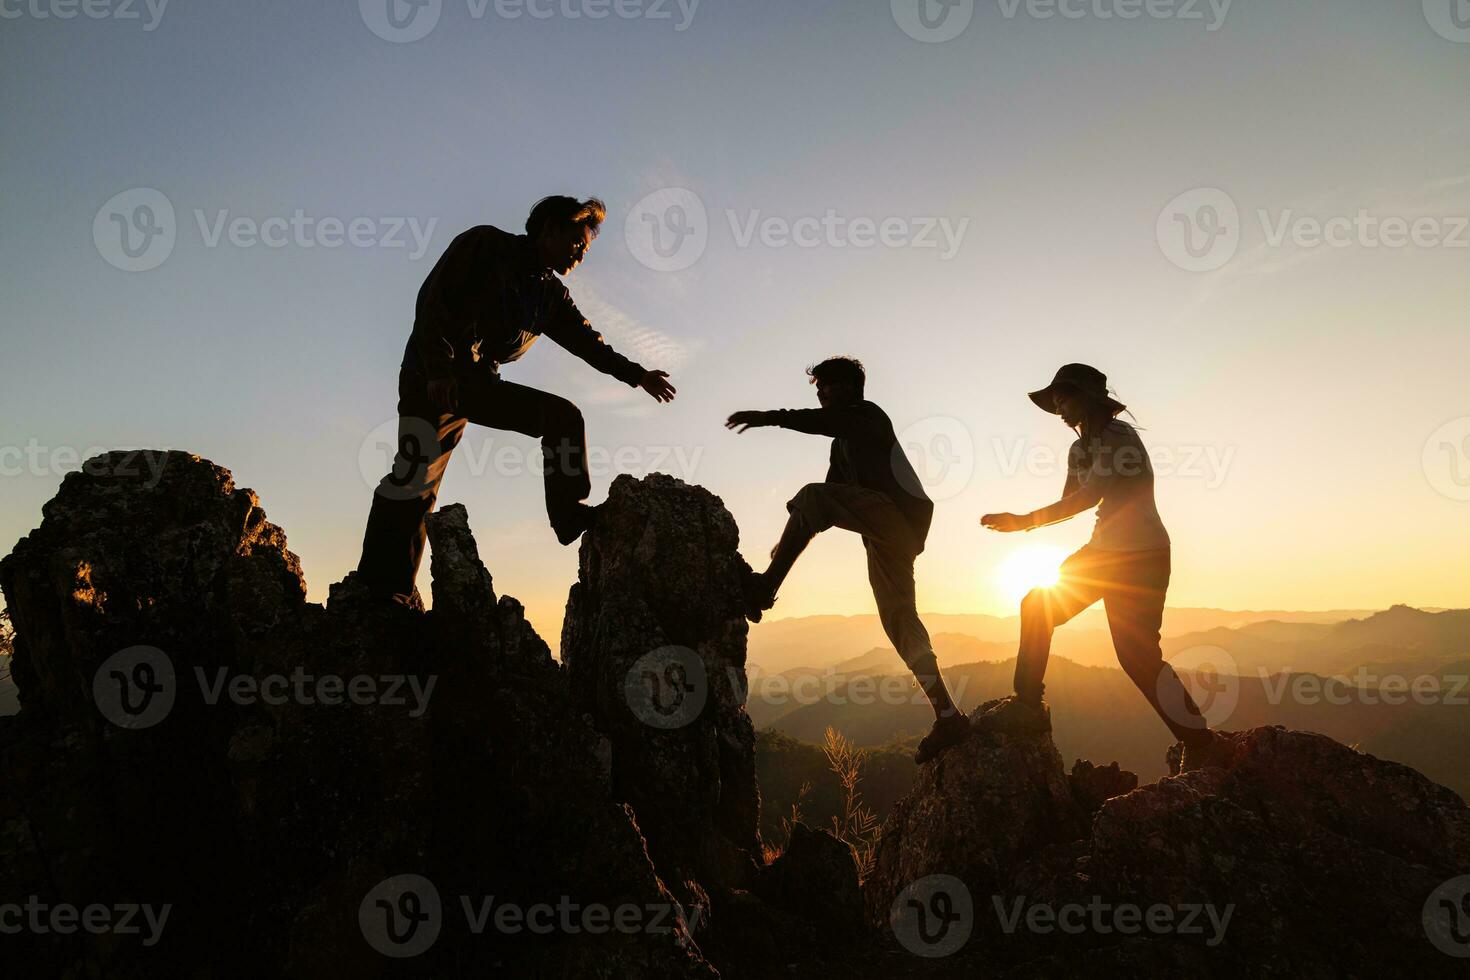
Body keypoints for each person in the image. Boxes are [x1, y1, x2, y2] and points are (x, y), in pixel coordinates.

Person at [357, 196, 677, 601]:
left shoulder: (550, 296)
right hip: (429, 375)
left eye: (585, 250)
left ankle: (568, 514)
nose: (580, 255)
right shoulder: (485, 245)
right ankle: (383, 589)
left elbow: (589, 345)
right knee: (416, 478)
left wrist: (638, 376)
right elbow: (433, 302)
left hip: (477, 384)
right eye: (577, 243)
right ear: (548, 229)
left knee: (563, 418)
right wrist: (437, 369)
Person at [980, 363, 1229, 771]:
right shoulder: (1079, 449)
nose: (1058, 406)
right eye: (1055, 400)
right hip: (1108, 552)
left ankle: (1200, 741)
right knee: (1039, 607)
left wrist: (1023, 520)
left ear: (1088, 398)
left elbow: (1087, 496)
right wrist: (1035, 514)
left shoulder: (1119, 436)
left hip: (1138, 555)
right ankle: (1027, 703)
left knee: (1137, 657)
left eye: (1065, 396)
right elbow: (1073, 498)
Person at [726, 357, 970, 765]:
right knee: (899, 619)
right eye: (818, 387)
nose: (820, 393)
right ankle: (948, 714)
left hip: (895, 518)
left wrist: (769, 417)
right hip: (890, 536)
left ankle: (764, 588)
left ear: (849, 388)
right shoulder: (842, 443)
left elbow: (820, 489)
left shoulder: (867, 416)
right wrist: (790, 537)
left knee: (811, 496)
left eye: (826, 386)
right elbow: (828, 498)